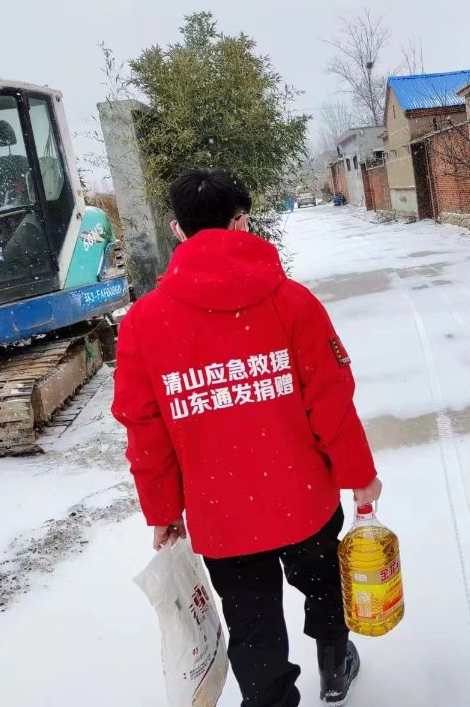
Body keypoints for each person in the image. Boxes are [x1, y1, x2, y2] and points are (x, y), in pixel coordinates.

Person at [112, 169, 381, 707]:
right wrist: (359, 476)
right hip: (303, 496)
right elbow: (331, 400)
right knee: (323, 582)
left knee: (250, 619)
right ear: (242, 223)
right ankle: (334, 664)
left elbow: (144, 428)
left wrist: (163, 510)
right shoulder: (292, 303)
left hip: (222, 514)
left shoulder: (143, 323)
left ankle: (268, 699)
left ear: (177, 230)